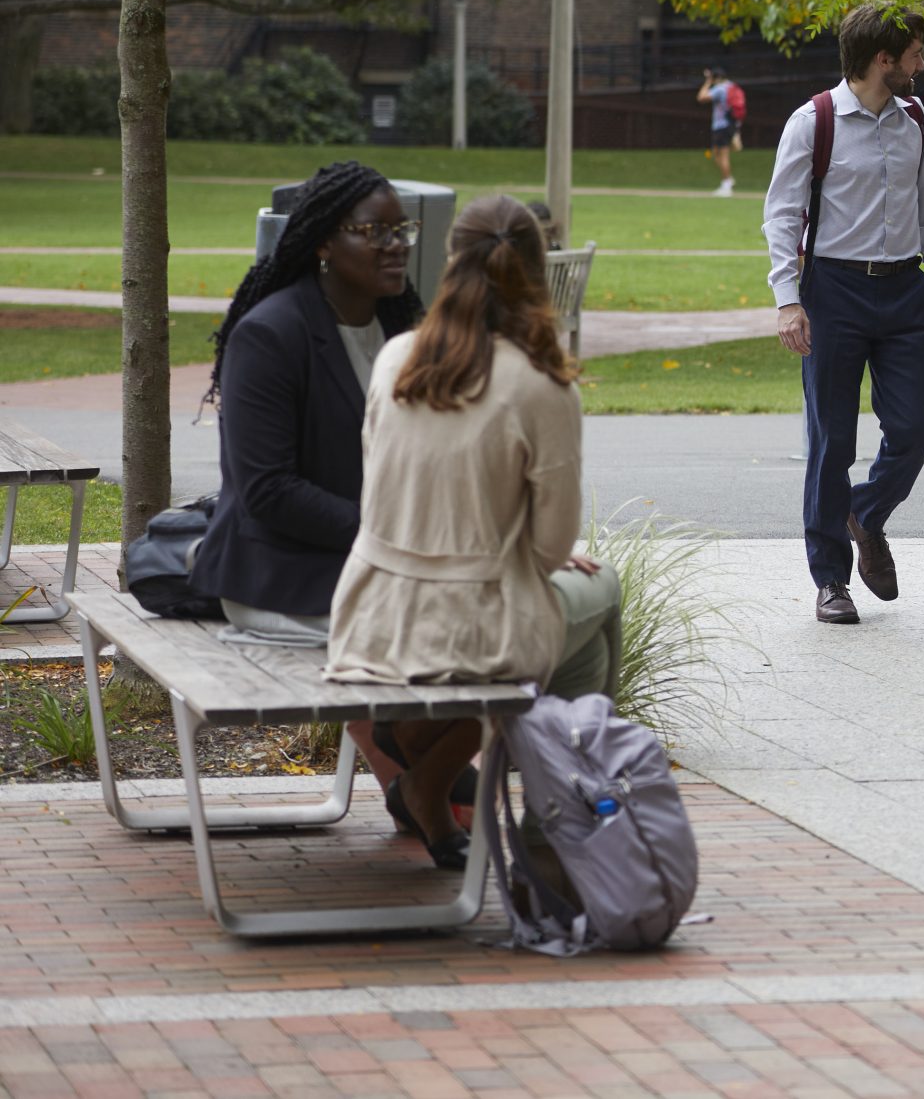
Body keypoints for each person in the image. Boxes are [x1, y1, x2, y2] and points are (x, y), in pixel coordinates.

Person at [326, 195, 619, 869]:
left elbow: (382, 492)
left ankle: (425, 778)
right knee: (598, 602)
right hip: (477, 624)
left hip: (370, 614)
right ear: (538, 273)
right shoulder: (544, 385)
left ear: (452, 261)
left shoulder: (395, 356)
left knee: (504, 641)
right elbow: (548, 550)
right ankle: (555, 841)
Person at [192, 161, 438, 826]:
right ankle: (433, 784)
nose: (396, 244)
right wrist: (389, 538)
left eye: (401, 229)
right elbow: (268, 490)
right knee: (426, 631)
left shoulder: (401, 333)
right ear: (325, 243)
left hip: (375, 561)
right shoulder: (270, 334)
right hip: (279, 568)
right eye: (374, 230)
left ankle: (431, 781)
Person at [763, 3, 924, 625]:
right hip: (832, 292)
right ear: (883, 60)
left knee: (915, 429)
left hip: (904, 292)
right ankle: (831, 581)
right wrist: (788, 300)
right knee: (832, 440)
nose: (920, 65)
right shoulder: (813, 122)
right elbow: (783, 216)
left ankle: (864, 513)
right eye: (914, 56)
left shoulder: (917, 121)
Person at [698, 67, 745, 196]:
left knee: (722, 155)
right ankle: (727, 180)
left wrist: (707, 82)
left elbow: (701, 97)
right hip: (730, 125)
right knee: (717, 154)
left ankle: (727, 184)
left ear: (716, 78)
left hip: (721, 126)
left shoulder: (720, 88)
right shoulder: (731, 86)